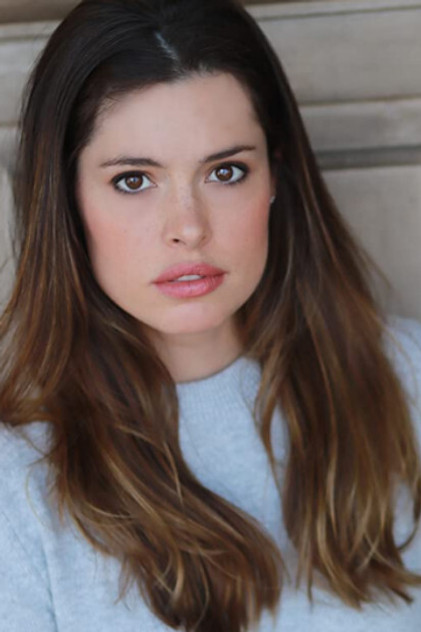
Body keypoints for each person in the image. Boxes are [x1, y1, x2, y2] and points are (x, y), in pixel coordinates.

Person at [0, 0, 420, 630]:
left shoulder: (407, 380)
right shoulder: (18, 487)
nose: (189, 228)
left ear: (275, 178)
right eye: (134, 180)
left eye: (225, 171)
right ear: (66, 199)